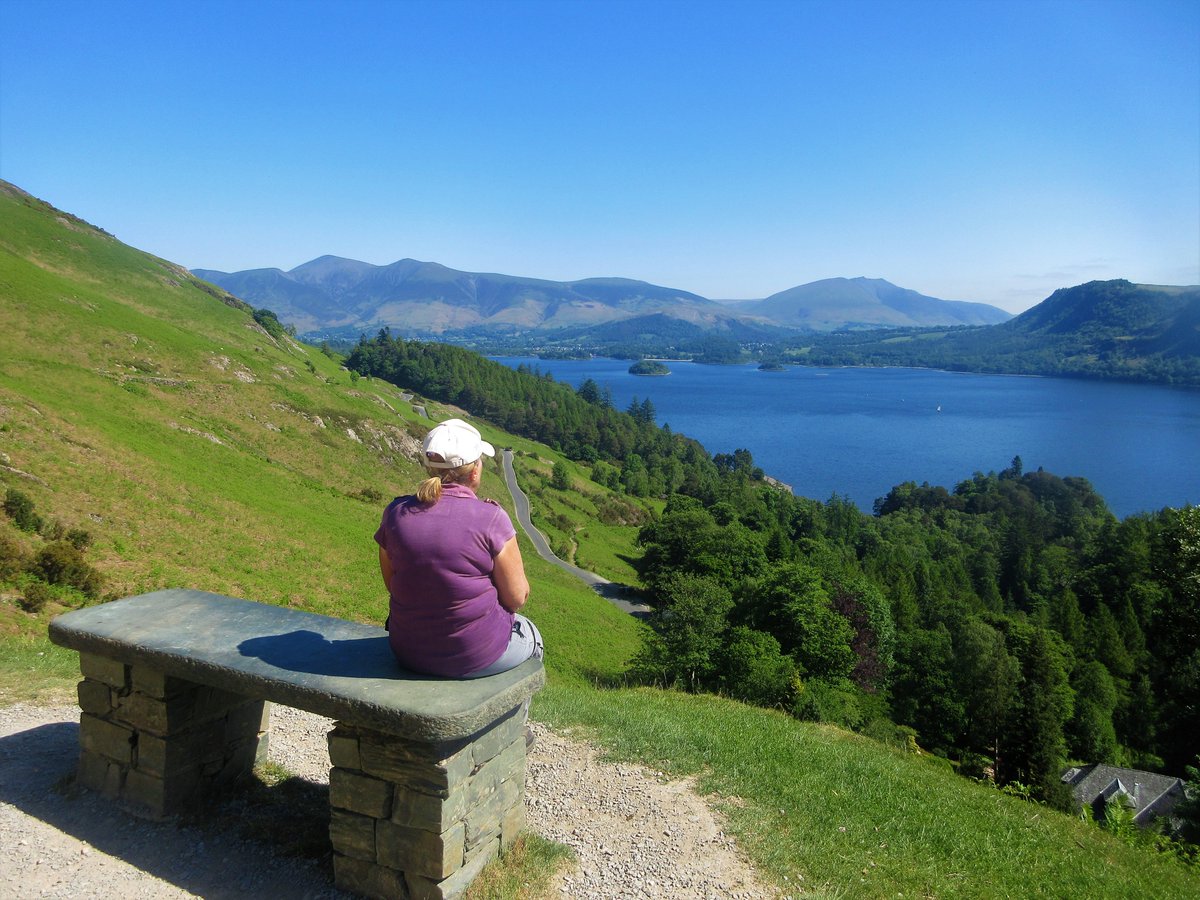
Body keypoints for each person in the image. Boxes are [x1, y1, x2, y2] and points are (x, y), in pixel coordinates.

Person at [375, 417, 543, 678]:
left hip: (407, 651)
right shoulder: (491, 517)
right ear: (475, 471)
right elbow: (517, 598)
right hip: (473, 656)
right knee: (531, 634)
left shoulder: (395, 513)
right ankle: (509, 717)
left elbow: (392, 583)